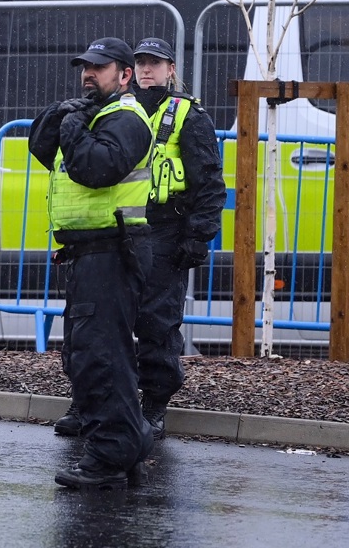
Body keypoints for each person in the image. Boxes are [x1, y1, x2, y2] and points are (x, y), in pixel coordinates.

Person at [28, 37, 156, 488]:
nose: (88, 74)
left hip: (111, 251)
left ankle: (110, 454)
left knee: (102, 358)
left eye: (99, 68)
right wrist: (62, 116)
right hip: (89, 252)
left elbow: (95, 169)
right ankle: (127, 443)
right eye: (85, 66)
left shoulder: (125, 119)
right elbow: (41, 147)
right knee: (89, 355)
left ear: (125, 76)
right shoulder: (96, 114)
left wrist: (74, 127)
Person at [131, 36, 226, 438]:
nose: (146, 70)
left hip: (167, 230)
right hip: (124, 226)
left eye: (155, 63)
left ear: (171, 69)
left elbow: (209, 182)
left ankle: (155, 402)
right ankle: (100, 399)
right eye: (140, 63)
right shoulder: (122, 107)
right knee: (110, 319)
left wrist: (198, 236)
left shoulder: (188, 115)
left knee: (157, 320)